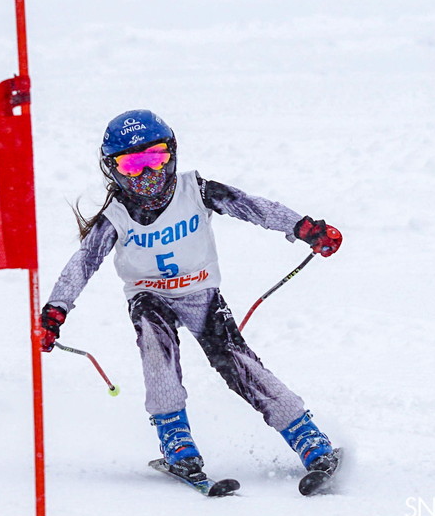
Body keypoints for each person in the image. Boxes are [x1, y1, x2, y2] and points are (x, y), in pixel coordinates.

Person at [38, 109, 343, 490]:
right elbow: (81, 265)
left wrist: (304, 227)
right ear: (112, 170)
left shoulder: (195, 190)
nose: (147, 176)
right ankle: (177, 444)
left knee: (239, 366)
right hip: (150, 297)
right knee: (155, 350)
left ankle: (309, 440)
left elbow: (254, 207)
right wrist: (54, 313)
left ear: (173, 155)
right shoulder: (115, 215)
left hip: (200, 295)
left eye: (155, 159)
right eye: (132, 165)